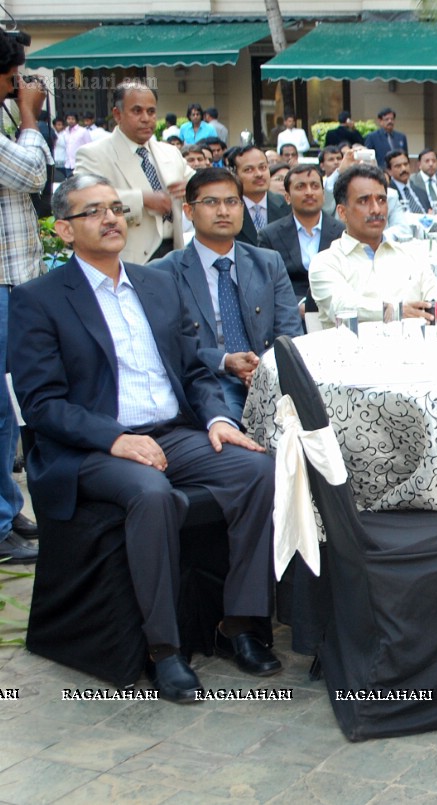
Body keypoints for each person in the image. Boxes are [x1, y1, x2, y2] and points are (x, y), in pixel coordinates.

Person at [10, 174, 282, 701]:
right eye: (93, 212)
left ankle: (240, 624)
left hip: (172, 433)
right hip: (89, 448)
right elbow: (42, 405)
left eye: (115, 208)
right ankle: (164, 649)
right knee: (152, 494)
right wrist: (115, 439)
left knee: (259, 471)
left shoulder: (155, 284)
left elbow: (197, 373)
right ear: (64, 230)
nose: (111, 218)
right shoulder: (39, 300)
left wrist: (218, 421)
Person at [149, 168, 302, 415]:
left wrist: (263, 371)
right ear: (189, 211)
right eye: (211, 202)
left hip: (270, 376)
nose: (223, 211)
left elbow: (289, 332)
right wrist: (225, 362)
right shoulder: (164, 272)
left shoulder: (268, 262)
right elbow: (169, 347)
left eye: (232, 202)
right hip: (206, 380)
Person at [0, 38, 50, 564]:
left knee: (9, 408)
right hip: (0, 281)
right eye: (17, 75)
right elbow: (33, 174)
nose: (23, 83)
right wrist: (31, 119)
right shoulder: (17, 124)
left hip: (14, 277)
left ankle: (8, 508)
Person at [309, 163, 437, 328]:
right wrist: (396, 311)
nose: (376, 209)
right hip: (353, 352)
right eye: (364, 201)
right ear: (342, 212)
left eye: (381, 200)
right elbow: (342, 308)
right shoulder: (326, 262)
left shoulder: (412, 254)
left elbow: (435, 306)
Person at [75, 80, 193, 264]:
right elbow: (84, 200)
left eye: (151, 111)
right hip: (128, 260)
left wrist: (192, 187)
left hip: (175, 257)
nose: (146, 118)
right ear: (117, 114)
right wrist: (142, 199)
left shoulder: (170, 152)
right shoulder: (94, 154)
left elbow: (200, 185)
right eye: (137, 111)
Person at [259, 164, 345, 315]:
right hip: (289, 316)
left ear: (323, 194)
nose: (309, 192)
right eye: (300, 187)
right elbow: (266, 285)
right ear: (287, 197)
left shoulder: (342, 232)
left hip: (335, 313)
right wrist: (297, 308)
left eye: (315, 186)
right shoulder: (269, 236)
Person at [224, 145, 290, 248]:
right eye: (249, 170)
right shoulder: (226, 209)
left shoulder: (287, 205)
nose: (259, 174)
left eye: (263, 167)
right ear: (234, 174)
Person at [385, 150, 430, 216]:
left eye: (406, 164)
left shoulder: (421, 191)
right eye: (398, 166)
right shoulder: (388, 193)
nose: (403, 169)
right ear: (389, 171)